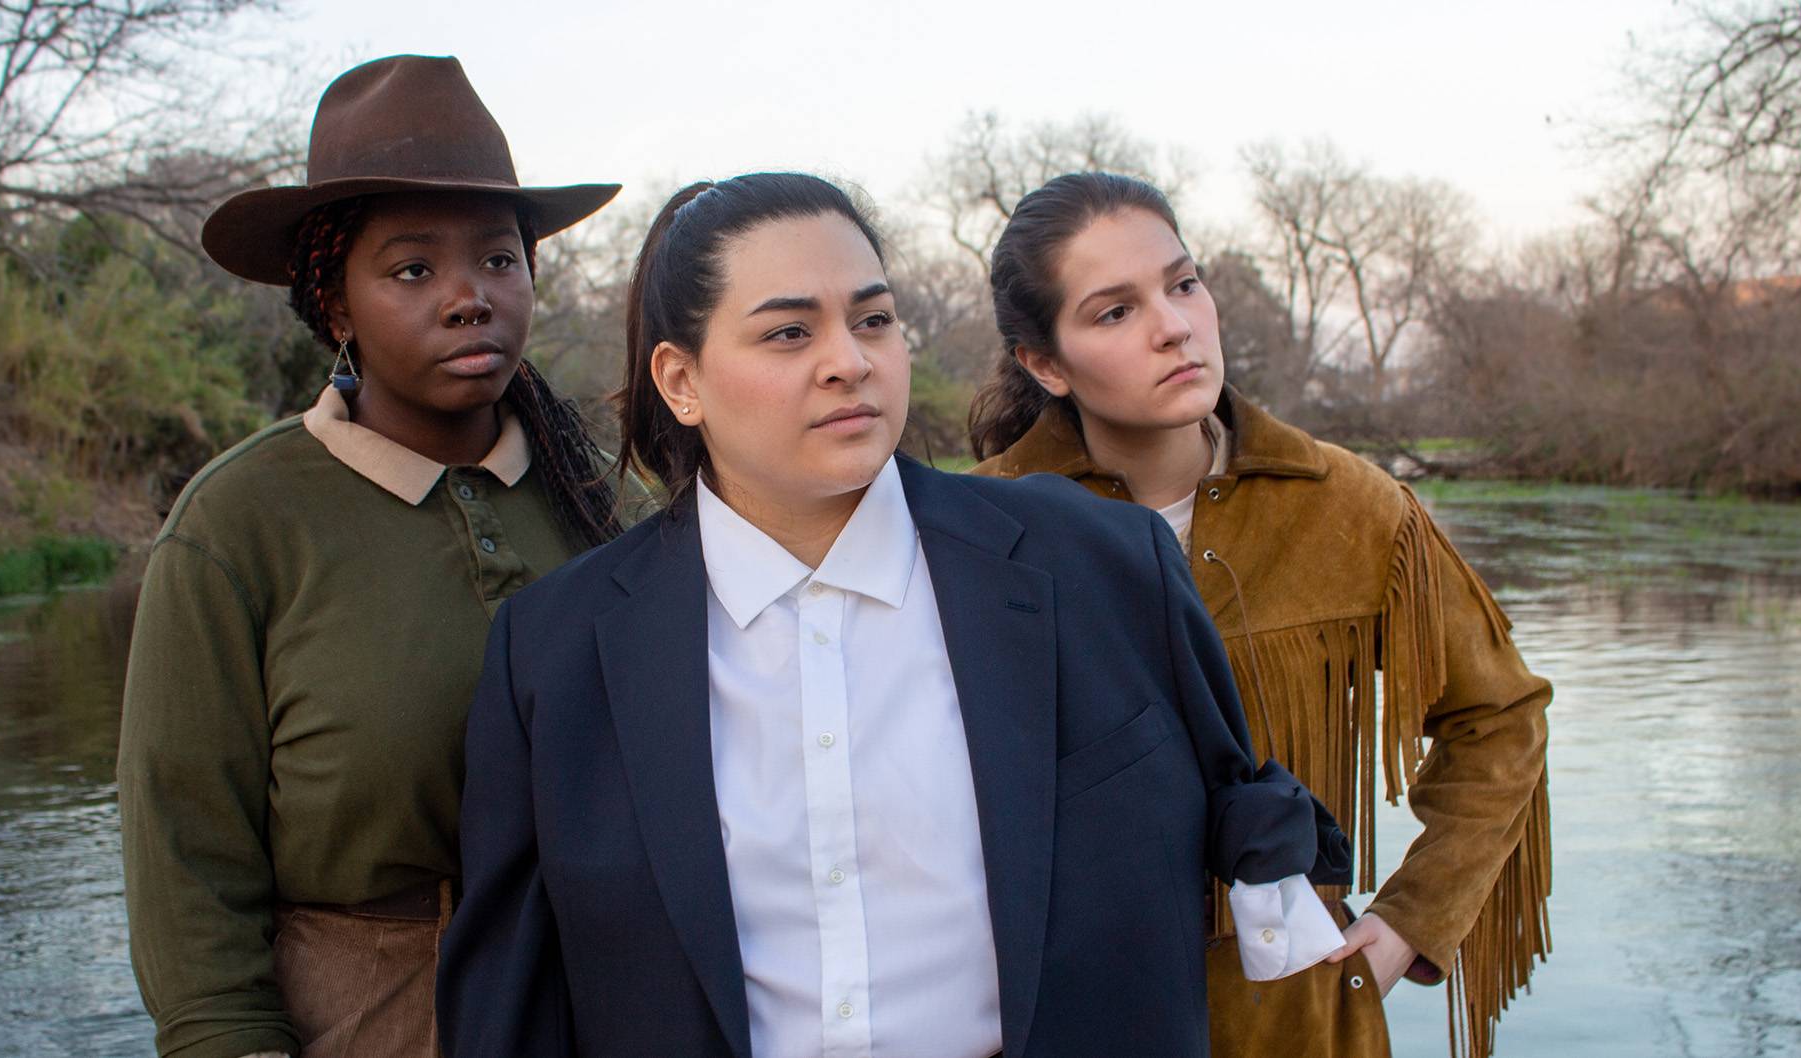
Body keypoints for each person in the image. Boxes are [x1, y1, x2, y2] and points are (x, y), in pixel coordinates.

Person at [435, 172, 1350, 1058]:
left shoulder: (1102, 567)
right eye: (789, 333)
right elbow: (512, 1003)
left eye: (873, 320)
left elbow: (1234, 810)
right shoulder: (557, 650)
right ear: (682, 380)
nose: (850, 361)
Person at [967, 171, 1552, 1058]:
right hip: (1056, 1019)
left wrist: (1404, 928)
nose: (1174, 326)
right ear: (1046, 363)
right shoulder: (980, 531)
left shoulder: (1354, 508)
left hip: (1297, 1020)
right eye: (1114, 312)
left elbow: (1499, 717)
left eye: (1183, 283)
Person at [117, 55, 627, 1058]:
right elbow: (187, 866)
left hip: (603, 996)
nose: (468, 296)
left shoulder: (596, 498)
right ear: (335, 306)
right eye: (411, 270)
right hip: (369, 1014)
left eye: (498, 259)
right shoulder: (239, 523)